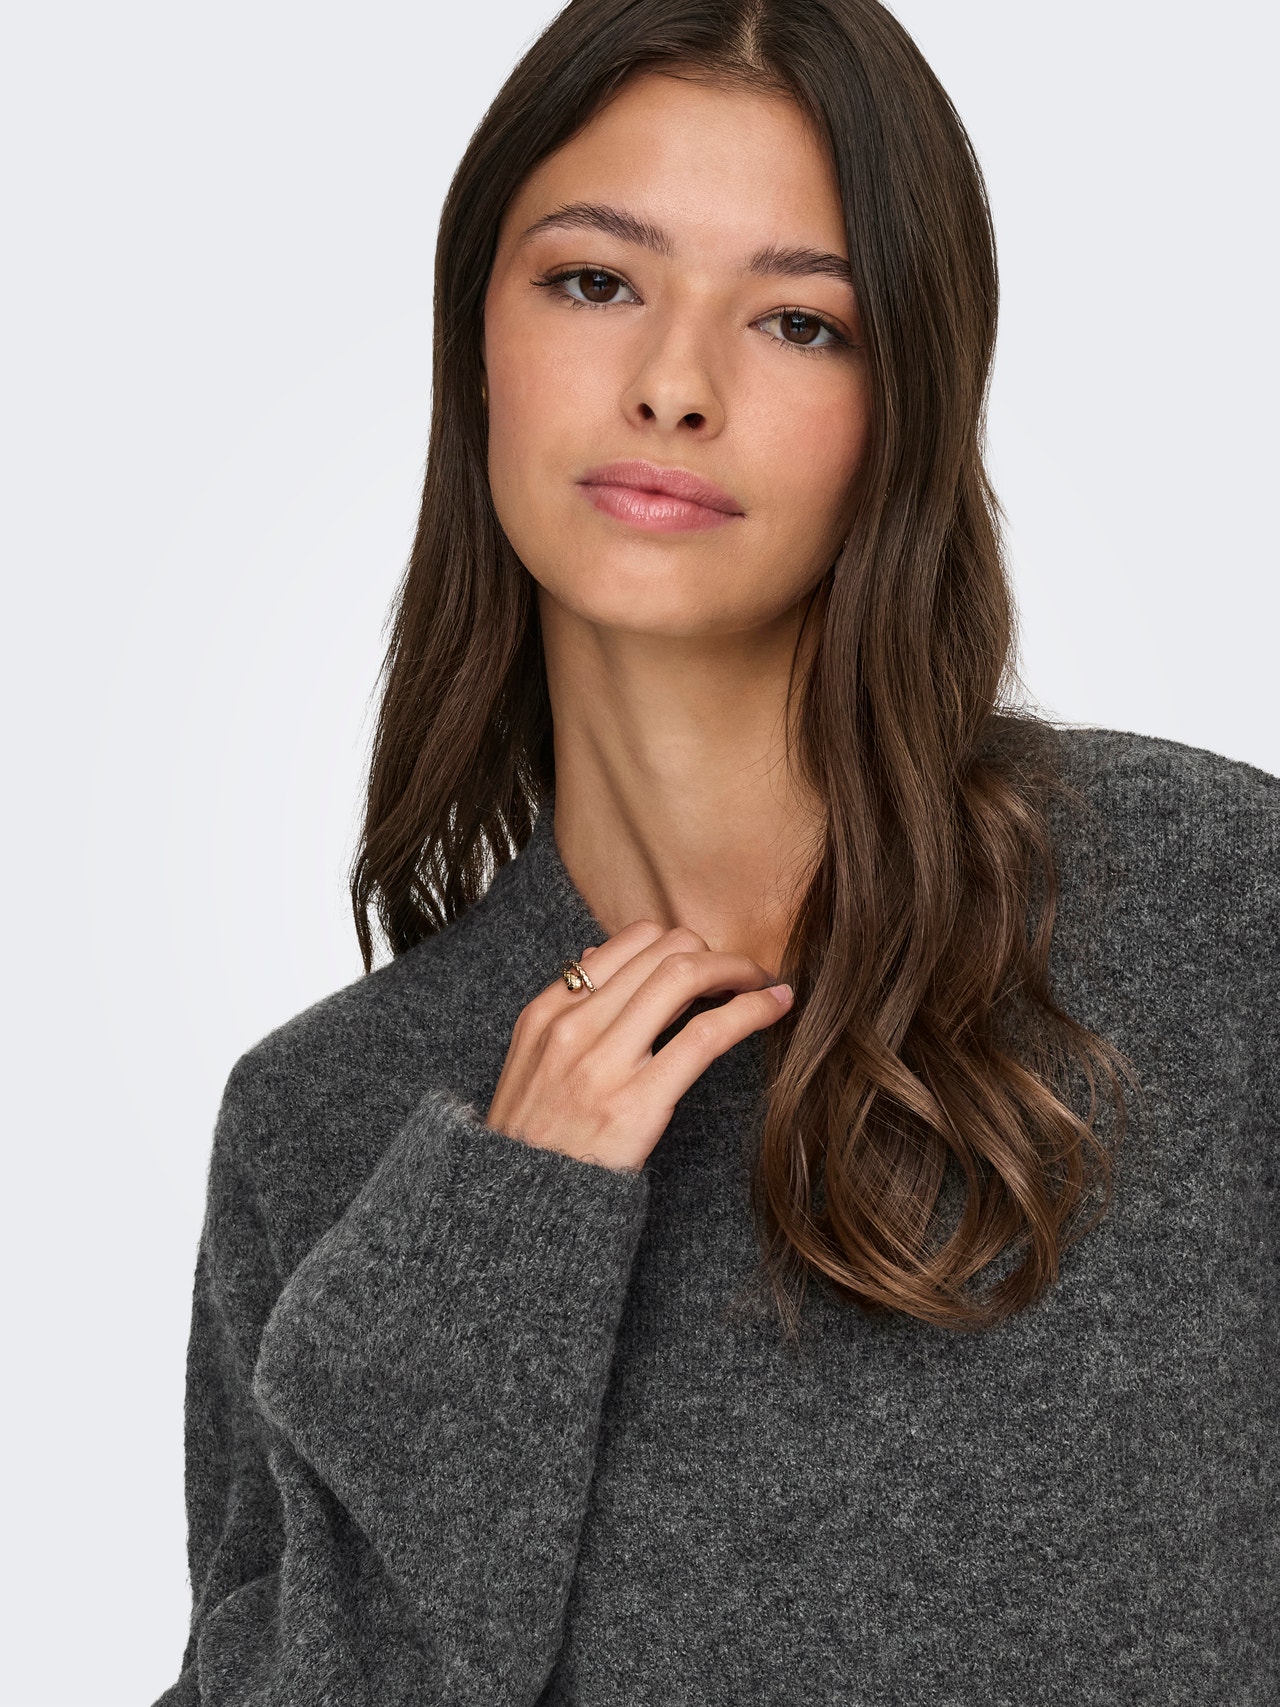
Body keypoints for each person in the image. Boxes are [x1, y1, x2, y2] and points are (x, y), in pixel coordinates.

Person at [154, 0, 1277, 1701]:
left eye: (801, 321)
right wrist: (500, 1240)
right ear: (477, 336)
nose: (674, 387)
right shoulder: (334, 1125)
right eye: (595, 282)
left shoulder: (1210, 908)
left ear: (908, 402)